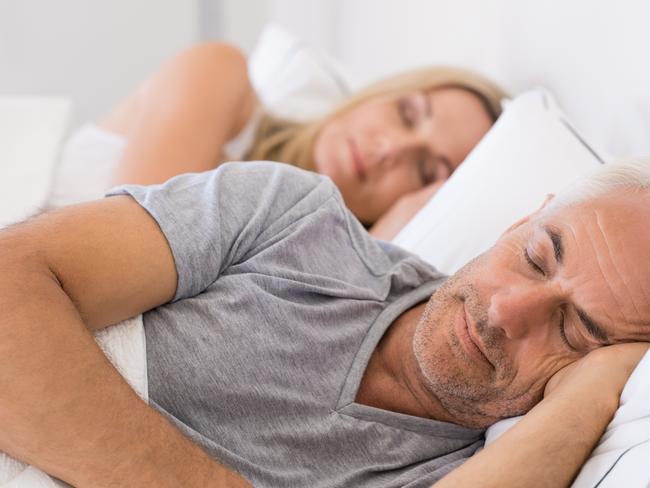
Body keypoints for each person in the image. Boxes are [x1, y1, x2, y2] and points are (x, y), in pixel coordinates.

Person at [1, 158, 649, 488]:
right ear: (519, 221)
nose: (509, 311)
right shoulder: (296, 219)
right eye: (536, 258)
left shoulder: (478, 468)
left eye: (574, 330)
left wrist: (599, 389)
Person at [46, 42, 505, 239]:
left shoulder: (317, 275)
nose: (390, 149)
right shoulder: (219, 76)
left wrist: (381, 250)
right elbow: (124, 266)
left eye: (426, 171)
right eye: (406, 114)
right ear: (380, 94)